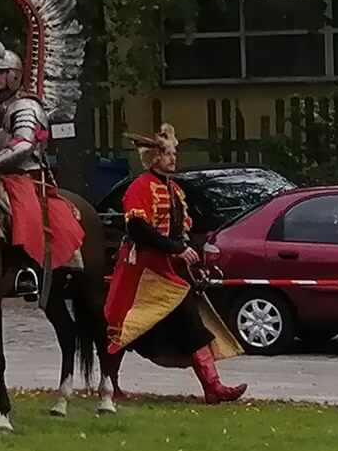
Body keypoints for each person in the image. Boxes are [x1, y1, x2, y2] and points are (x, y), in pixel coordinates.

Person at [100, 124, 246, 404]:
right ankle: (109, 386)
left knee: (191, 323)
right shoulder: (139, 187)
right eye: (167, 154)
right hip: (142, 272)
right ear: (154, 158)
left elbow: (180, 231)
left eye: (173, 153)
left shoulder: (175, 189)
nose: (173, 158)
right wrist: (176, 249)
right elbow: (138, 229)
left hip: (169, 273)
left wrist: (188, 251)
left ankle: (213, 386)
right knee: (123, 328)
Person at [0, 43, 84, 300]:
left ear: (14, 75)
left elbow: (23, 144)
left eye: (2, 72)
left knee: (21, 210)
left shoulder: (27, 106)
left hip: (24, 175)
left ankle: (25, 269)